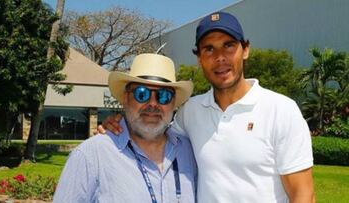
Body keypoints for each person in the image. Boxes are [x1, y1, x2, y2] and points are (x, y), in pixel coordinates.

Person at [101, 12, 314, 203]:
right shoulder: (190, 111)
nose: (220, 57)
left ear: (245, 50)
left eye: (229, 45)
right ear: (199, 59)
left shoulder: (281, 110)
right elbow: (151, 134)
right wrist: (120, 126)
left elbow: (303, 195)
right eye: (209, 49)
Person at [53, 53, 197, 202]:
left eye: (164, 96)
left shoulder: (188, 152)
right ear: (125, 99)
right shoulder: (90, 156)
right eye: (142, 94)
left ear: (173, 103)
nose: (153, 104)